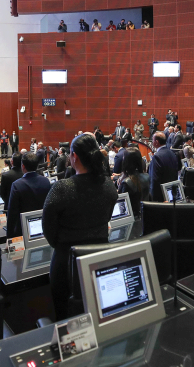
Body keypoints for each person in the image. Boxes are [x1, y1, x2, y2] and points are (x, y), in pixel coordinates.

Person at [43, 134, 118, 319]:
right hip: (100, 259)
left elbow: (48, 230)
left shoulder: (61, 188)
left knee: (65, 318)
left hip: (65, 263)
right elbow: (107, 217)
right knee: (99, 315)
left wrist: (63, 244)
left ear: (74, 157)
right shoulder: (109, 185)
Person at [7, 152, 52, 237]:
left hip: (23, 230)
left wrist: (9, 237)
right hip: (43, 227)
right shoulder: (46, 181)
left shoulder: (17, 185)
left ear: (23, 166)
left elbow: (12, 213)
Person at [118, 148, 150, 218]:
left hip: (132, 218)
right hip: (145, 215)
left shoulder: (126, 182)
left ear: (125, 161)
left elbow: (122, 206)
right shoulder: (147, 176)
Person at [148, 132, 179, 202]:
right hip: (171, 193)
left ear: (156, 142)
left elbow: (154, 180)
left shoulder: (157, 157)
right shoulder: (172, 153)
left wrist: (154, 201)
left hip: (161, 197)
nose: (152, 142)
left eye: (153, 140)